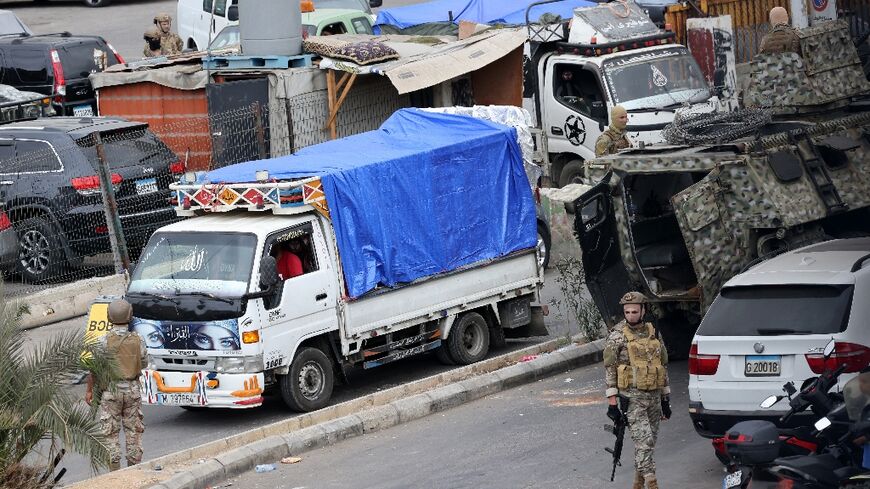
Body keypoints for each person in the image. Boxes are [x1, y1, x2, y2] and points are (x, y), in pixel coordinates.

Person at [604, 291, 671, 489]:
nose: (631, 315)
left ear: (643, 310)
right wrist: (612, 403)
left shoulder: (654, 333)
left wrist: (666, 399)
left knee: (648, 447)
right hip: (631, 399)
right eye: (627, 311)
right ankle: (652, 484)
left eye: (635, 311)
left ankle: (637, 485)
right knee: (645, 443)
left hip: (654, 398)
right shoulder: (617, 336)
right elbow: (610, 369)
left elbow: (663, 365)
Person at [85, 299, 147, 471]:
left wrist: (89, 391)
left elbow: (94, 370)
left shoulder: (103, 341)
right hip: (132, 390)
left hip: (110, 391)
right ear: (130, 316)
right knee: (133, 432)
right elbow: (144, 363)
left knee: (110, 434)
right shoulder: (138, 340)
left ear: (109, 317)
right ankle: (133, 471)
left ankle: (114, 474)